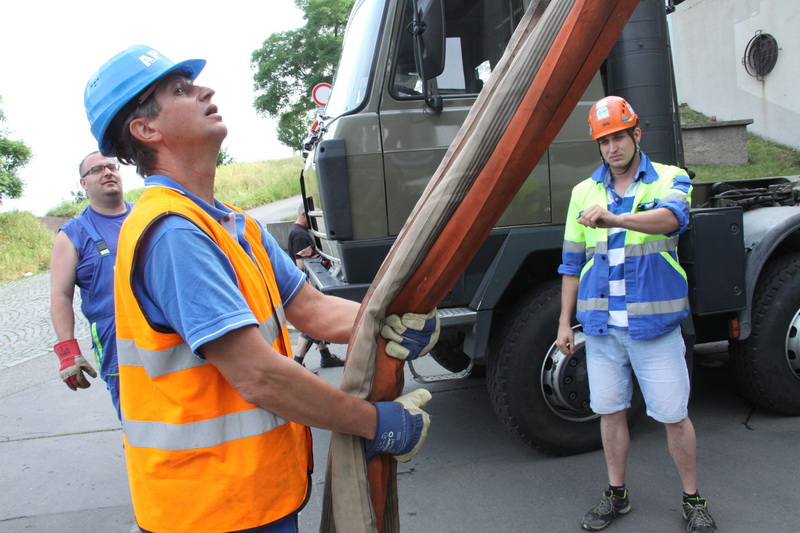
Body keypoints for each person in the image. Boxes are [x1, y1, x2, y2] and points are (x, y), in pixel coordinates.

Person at [83, 45, 440, 533]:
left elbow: (311, 309)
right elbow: (259, 376)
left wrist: (387, 320)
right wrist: (374, 423)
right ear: (146, 130)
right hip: (209, 509)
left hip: (250, 496)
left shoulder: (234, 225)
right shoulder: (174, 233)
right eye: (181, 90)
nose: (205, 90)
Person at [556, 96, 717, 533]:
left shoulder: (669, 178)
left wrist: (616, 219)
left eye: (619, 137)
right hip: (603, 329)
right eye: (604, 141)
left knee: (673, 416)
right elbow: (572, 263)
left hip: (654, 328)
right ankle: (617, 495)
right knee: (609, 414)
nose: (612, 148)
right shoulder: (582, 194)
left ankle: (692, 499)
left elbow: (672, 219)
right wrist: (563, 323)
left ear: (636, 135)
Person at [49, 151, 132, 420]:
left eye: (111, 167)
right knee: (137, 424)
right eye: (96, 170)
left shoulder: (145, 216)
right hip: (117, 343)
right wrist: (68, 352)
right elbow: (60, 295)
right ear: (83, 183)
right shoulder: (73, 234)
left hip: (166, 333)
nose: (107, 172)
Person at [287, 203, 345, 369]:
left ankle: (326, 357)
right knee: (311, 324)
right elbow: (301, 265)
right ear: (304, 215)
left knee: (315, 322)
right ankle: (297, 363)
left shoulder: (299, 231)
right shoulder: (299, 235)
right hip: (309, 284)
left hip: (307, 283)